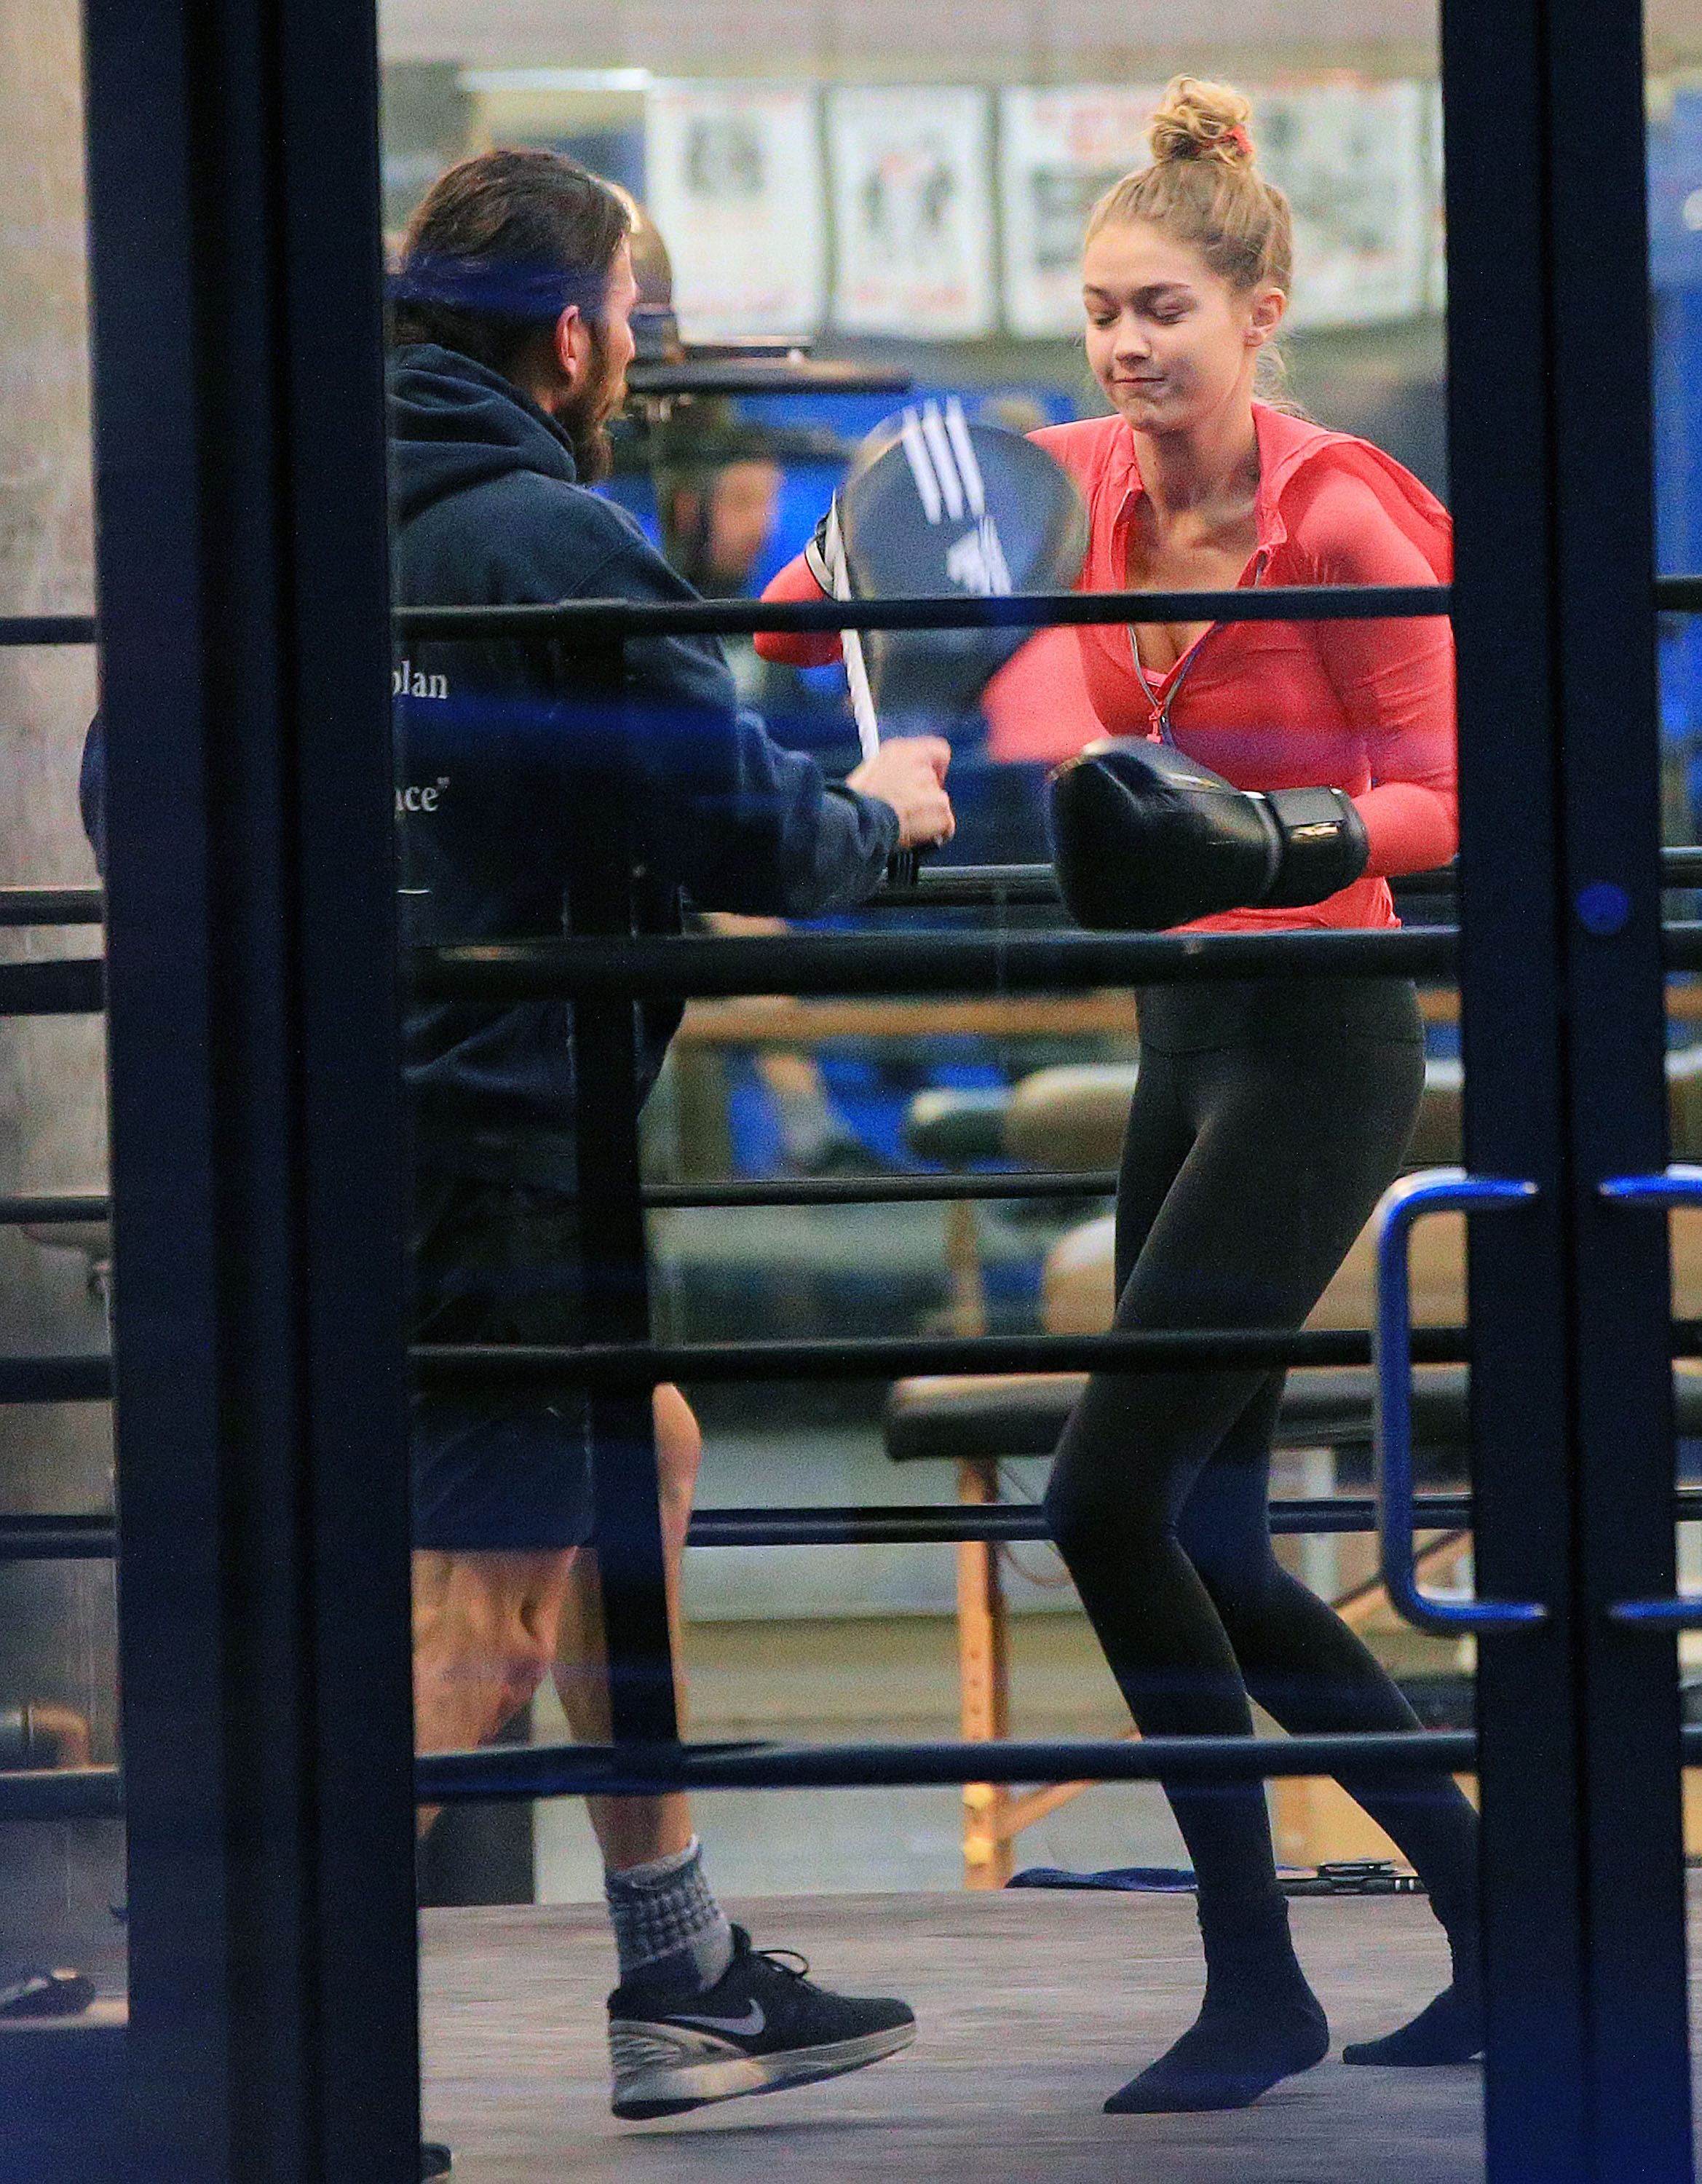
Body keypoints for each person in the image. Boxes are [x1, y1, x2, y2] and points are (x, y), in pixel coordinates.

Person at [757, 76, 1476, 2117]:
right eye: (1098, 312)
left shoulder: (1341, 513)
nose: (1123, 347)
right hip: (1184, 1028)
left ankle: (1257, 1980)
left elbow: (1456, 789)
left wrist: (1279, 837)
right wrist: (866, 565)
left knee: (1101, 1498)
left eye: (1162, 308)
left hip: (1322, 1029)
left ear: (1261, 313)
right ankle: (1504, 1914)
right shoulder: (1065, 483)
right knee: (1218, 1542)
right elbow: (816, 610)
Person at [386, 149, 954, 2151]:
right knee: (480, 1629)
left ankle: (680, 1970)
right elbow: (748, 829)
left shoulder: (282, 522)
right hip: (497, 1154)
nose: (636, 349)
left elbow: (134, 787)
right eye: (628, 313)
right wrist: (886, 812)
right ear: (569, 338)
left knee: (648, 1457)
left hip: (332, 1141)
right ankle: (278, 2047)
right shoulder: (557, 541)